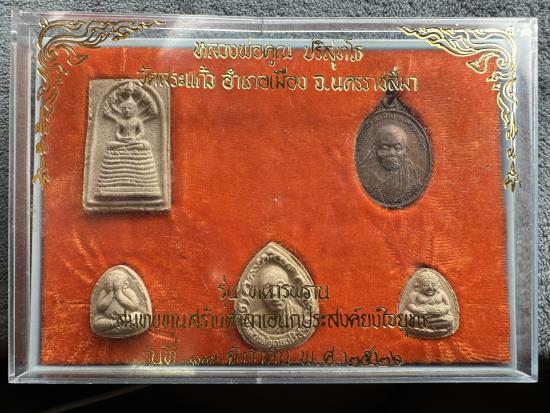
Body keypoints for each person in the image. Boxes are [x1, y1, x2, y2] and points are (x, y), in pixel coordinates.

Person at [372, 124, 421, 200]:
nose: (391, 153)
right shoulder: (366, 175)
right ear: (374, 151)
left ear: (406, 152)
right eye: (384, 148)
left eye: (397, 148)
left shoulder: (416, 173)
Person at [91, 270, 143, 336]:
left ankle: (113, 328)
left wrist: (119, 295)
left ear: (125, 284)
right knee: (96, 323)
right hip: (108, 319)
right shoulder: (104, 292)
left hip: (127, 317)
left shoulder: (128, 292)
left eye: (116, 283)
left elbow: (135, 307)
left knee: (139, 317)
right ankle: (117, 324)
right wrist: (110, 295)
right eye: (109, 283)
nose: (112, 285)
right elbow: (99, 308)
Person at [403, 271, 455, 335]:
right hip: (421, 315)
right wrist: (416, 309)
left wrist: (444, 310)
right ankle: (430, 324)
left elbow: (448, 305)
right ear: (419, 286)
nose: (430, 288)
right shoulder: (415, 294)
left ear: (438, 285)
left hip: (437, 316)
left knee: (450, 320)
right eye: (425, 285)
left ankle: (426, 324)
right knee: (406, 315)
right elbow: (410, 304)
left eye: (433, 285)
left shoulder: (441, 293)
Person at [258, 265, 304, 334]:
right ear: (261, 293)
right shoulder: (256, 319)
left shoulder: (301, 314)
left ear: (289, 289)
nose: (274, 293)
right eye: (267, 287)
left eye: (280, 285)